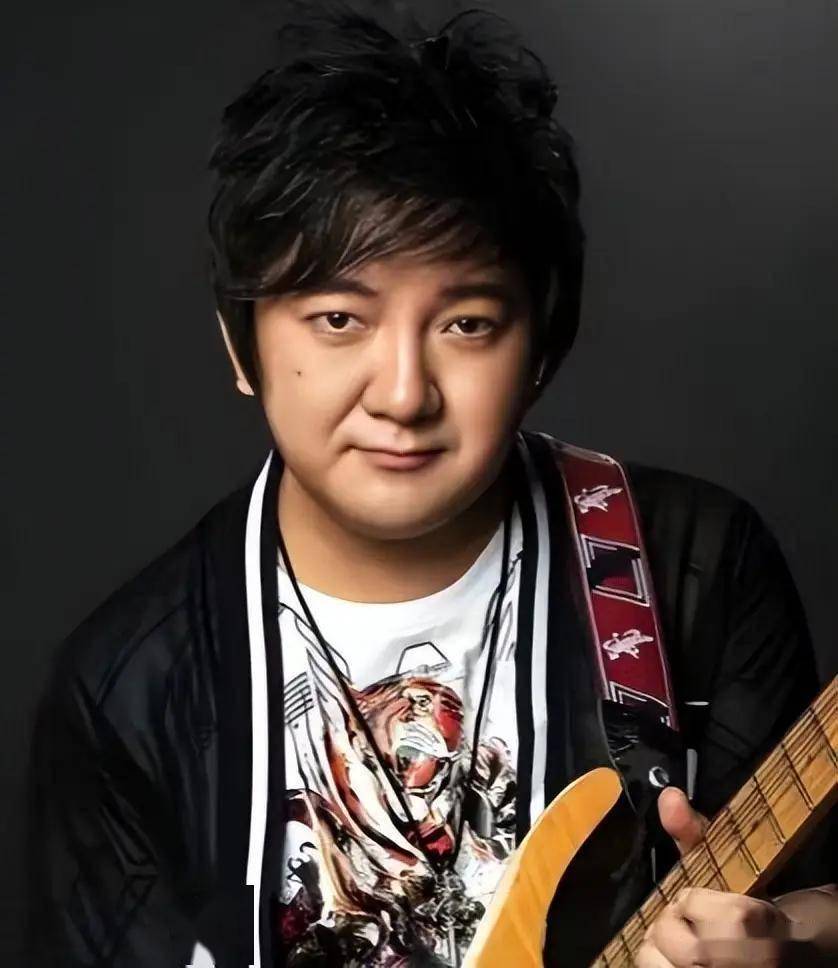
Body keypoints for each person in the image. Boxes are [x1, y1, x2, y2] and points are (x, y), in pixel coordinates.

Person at [26, 3, 836, 966]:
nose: (404, 395)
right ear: (241, 347)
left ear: (542, 347)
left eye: (466, 324)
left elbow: (815, 893)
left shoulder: (693, 566)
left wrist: (795, 940)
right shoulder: (129, 691)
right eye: (339, 320)